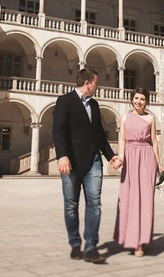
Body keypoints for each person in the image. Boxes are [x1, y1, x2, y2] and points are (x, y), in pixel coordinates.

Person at [53, 68, 122, 264]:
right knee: (71, 205)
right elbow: (59, 130)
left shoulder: (95, 105)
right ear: (87, 83)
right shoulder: (65, 101)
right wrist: (62, 156)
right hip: (72, 162)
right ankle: (75, 244)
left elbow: (99, 134)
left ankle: (91, 246)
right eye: (96, 83)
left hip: (93, 161)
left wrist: (111, 156)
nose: (97, 87)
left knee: (94, 204)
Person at [114, 88, 164, 258]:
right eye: (136, 98)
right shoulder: (125, 118)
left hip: (147, 157)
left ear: (147, 101)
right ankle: (129, 238)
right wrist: (121, 157)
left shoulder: (150, 118)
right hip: (130, 157)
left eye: (142, 99)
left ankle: (140, 243)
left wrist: (159, 163)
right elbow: (122, 139)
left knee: (145, 199)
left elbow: (154, 142)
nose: (139, 101)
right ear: (132, 99)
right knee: (128, 198)